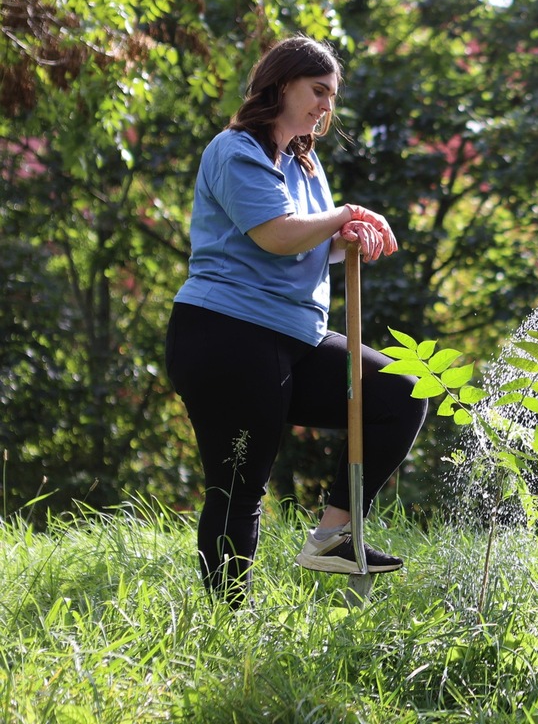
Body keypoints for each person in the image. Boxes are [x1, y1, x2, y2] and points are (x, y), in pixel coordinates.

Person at [164, 35, 428, 606]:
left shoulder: (305, 165)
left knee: (401, 393)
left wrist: (344, 237)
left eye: (331, 97)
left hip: (296, 337)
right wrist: (345, 215)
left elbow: (311, 241)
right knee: (240, 487)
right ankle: (225, 621)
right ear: (282, 84)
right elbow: (277, 235)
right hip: (226, 334)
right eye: (317, 91)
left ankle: (333, 534)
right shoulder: (237, 151)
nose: (325, 108)